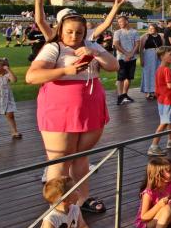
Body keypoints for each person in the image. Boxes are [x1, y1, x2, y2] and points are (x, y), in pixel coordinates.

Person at [26, 11, 119, 214]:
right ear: (60, 30)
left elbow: (114, 65)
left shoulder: (91, 45)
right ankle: (58, 206)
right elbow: (32, 76)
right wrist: (65, 71)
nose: (74, 36)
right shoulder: (54, 48)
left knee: (81, 156)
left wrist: (95, 52)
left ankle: (81, 199)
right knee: (60, 159)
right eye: (69, 32)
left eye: (79, 32)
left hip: (91, 107)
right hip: (60, 109)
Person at [148, 47, 171, 156]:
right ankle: (153, 146)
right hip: (167, 99)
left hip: (162, 99)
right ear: (162, 57)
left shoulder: (159, 69)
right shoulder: (167, 70)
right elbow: (170, 85)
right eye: (170, 55)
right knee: (164, 122)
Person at [113, 15, 140, 105]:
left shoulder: (134, 32)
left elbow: (137, 44)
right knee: (120, 78)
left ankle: (125, 94)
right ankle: (120, 96)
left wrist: (131, 54)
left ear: (127, 21)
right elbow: (116, 44)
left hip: (132, 58)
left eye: (121, 21)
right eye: (119, 22)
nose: (120, 23)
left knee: (129, 77)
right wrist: (126, 54)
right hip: (121, 58)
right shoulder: (117, 32)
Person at [139, 23, 164, 100]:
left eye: (152, 28)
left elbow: (163, 47)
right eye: (149, 28)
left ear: (156, 29)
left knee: (157, 74)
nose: (150, 30)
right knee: (148, 74)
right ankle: (148, 92)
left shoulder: (160, 36)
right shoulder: (145, 36)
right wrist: (141, 59)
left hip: (158, 57)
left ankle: (155, 91)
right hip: (148, 57)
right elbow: (141, 49)